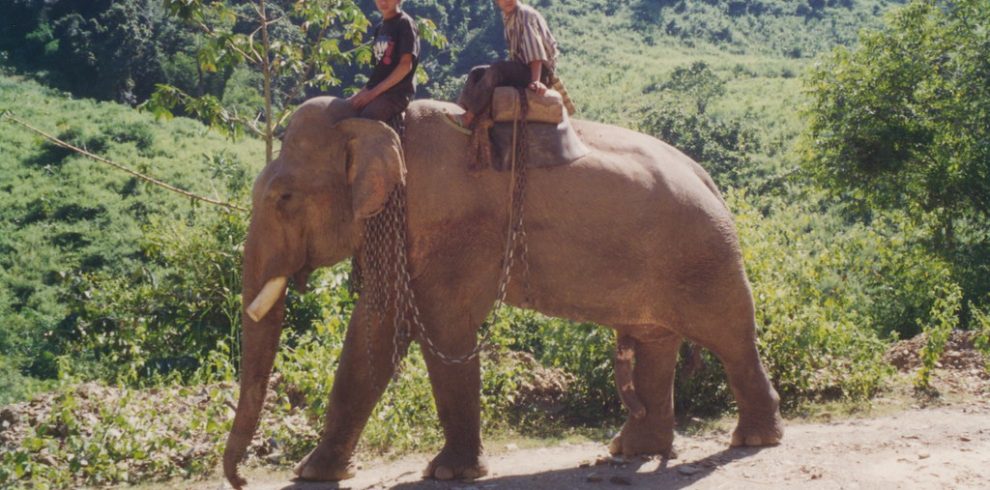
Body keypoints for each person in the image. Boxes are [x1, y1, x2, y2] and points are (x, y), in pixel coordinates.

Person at [449, 0, 559, 130]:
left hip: (539, 71)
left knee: (498, 69)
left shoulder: (525, 14)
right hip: (523, 68)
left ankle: (468, 117)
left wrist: (536, 80)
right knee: (476, 72)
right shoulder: (509, 17)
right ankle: (463, 108)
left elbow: (535, 51)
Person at [349, 0, 421, 122]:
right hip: (377, 91)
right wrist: (360, 94)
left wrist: (371, 95)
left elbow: (405, 66)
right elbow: (378, 71)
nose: (383, 1)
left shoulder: (405, 23)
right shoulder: (380, 27)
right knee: (344, 110)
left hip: (397, 94)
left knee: (367, 119)